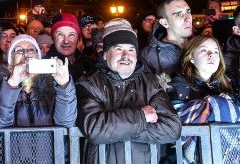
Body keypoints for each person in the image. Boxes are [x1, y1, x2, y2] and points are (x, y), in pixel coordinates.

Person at [77, 19, 181, 164]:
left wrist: (119, 130)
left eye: (131, 49)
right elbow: (95, 128)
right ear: (105, 54)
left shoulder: (151, 83)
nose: (125, 55)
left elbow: (172, 128)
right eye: (118, 49)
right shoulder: (89, 83)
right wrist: (141, 118)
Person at [167, 36, 240, 162]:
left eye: (216, 51)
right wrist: (215, 104)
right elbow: (175, 123)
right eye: (204, 50)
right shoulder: (178, 84)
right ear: (191, 58)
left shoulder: (228, 86)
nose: (211, 55)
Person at [0, 34, 76, 128]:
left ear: (38, 56)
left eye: (31, 49)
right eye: (19, 50)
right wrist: (12, 84)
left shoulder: (53, 84)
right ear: (11, 61)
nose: (26, 54)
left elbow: (66, 123)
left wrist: (64, 86)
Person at [140, 0, 193, 76]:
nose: (188, 18)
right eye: (178, 14)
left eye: (188, 12)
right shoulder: (149, 57)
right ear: (165, 22)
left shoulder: (201, 46)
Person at [44, 12, 93, 79]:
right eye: (60, 34)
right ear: (53, 38)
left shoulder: (89, 66)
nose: (66, 41)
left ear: (78, 39)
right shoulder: (42, 68)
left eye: (71, 35)